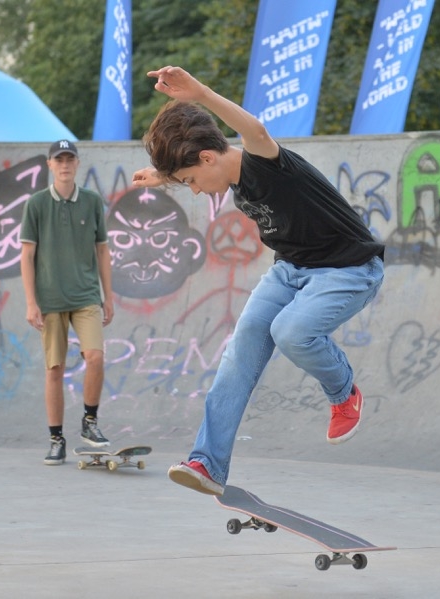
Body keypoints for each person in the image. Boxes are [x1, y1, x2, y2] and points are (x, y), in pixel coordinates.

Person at [132, 66, 385, 496]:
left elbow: (256, 129)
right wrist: (166, 176)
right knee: (244, 342)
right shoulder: (224, 174)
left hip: (348, 268)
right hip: (291, 269)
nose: (194, 190)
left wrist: (201, 94)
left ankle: (343, 392)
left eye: (191, 180)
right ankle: (207, 463)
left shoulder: (266, 165)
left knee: (292, 331)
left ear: (208, 157)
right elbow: (196, 167)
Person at [20, 140, 115, 465]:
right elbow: (27, 254)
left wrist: (108, 296)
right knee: (55, 369)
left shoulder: (91, 201)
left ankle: (90, 422)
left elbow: (102, 249)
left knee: (96, 357)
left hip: (86, 296)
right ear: (49, 164)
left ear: (77, 164)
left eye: (69, 159)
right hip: (50, 300)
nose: (64, 165)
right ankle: (56, 438)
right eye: (58, 160)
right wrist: (31, 302)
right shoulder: (36, 204)